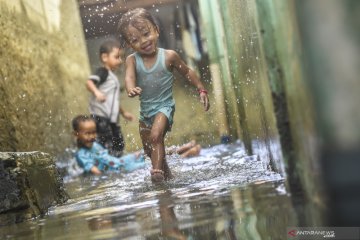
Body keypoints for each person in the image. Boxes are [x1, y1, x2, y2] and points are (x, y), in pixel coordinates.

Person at [117, 8, 210, 183]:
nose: (143, 41)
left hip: (164, 107)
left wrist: (201, 89)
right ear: (129, 44)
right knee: (148, 149)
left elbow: (187, 71)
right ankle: (166, 176)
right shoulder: (132, 60)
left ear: (156, 30)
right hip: (145, 112)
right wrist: (130, 88)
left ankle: (156, 172)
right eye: (135, 40)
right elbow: (129, 77)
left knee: (155, 136)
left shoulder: (169, 56)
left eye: (146, 34)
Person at [86, 38, 135, 157]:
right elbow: (89, 82)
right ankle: (105, 164)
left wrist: (124, 113)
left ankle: (117, 161)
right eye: (116, 57)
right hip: (100, 117)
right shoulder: (103, 72)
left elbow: (114, 100)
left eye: (121, 57)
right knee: (105, 143)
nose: (120, 60)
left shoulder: (113, 77)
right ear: (104, 57)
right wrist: (97, 93)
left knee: (118, 143)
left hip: (111, 119)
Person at [72, 115, 146, 175]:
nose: (91, 136)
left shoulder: (95, 145)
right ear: (76, 134)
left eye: (94, 132)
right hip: (119, 170)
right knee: (145, 165)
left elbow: (108, 158)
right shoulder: (81, 155)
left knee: (143, 153)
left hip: (119, 162)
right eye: (87, 133)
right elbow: (96, 171)